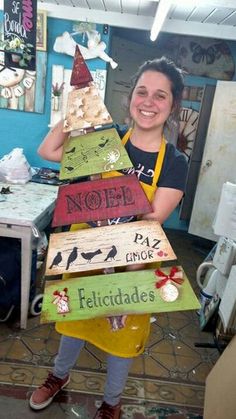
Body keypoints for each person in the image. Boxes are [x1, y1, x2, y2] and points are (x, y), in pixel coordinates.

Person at [29, 56, 188, 418]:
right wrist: (77, 110)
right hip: (86, 254)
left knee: (122, 336)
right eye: (142, 92)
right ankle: (58, 375)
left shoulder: (175, 161)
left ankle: (112, 402)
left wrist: (105, 190)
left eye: (160, 96)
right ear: (129, 97)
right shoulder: (109, 137)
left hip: (132, 264)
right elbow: (48, 151)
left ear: (173, 105)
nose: (148, 102)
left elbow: (153, 216)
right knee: (74, 320)